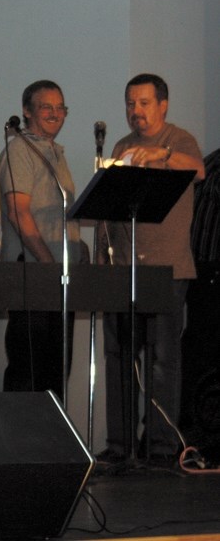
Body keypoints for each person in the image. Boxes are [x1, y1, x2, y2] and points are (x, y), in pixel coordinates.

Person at [98, 73, 205, 465]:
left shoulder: (178, 140)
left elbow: (198, 171)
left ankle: (160, 446)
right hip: (123, 269)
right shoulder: (122, 146)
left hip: (167, 270)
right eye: (130, 103)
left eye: (144, 103)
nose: (136, 111)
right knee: (119, 355)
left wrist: (160, 156)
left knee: (162, 361)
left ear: (163, 105)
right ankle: (121, 444)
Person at [0, 80, 82, 401]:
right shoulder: (20, 149)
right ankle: (23, 447)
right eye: (46, 107)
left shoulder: (53, 153)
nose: (55, 113)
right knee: (29, 367)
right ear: (26, 111)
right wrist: (48, 263)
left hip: (59, 274)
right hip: (34, 272)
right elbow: (18, 212)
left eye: (60, 107)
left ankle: (54, 444)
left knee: (56, 368)